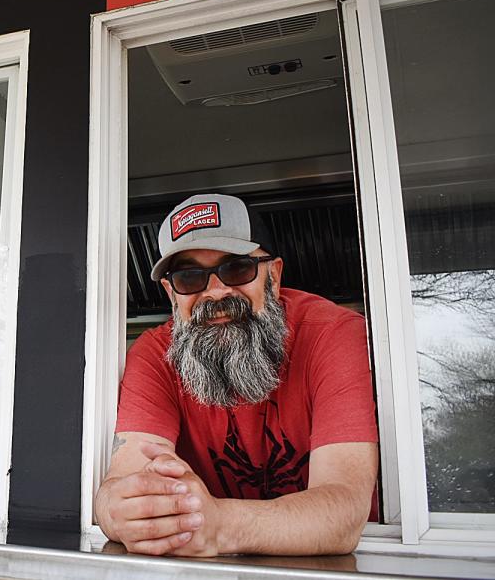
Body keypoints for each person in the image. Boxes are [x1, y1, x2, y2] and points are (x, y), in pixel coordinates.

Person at [96, 193, 378, 557]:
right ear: (170, 292)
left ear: (273, 275)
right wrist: (120, 513)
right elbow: (119, 484)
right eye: (189, 277)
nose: (216, 292)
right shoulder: (154, 356)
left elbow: (346, 511)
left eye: (237, 268)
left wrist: (219, 525)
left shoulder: (333, 334)